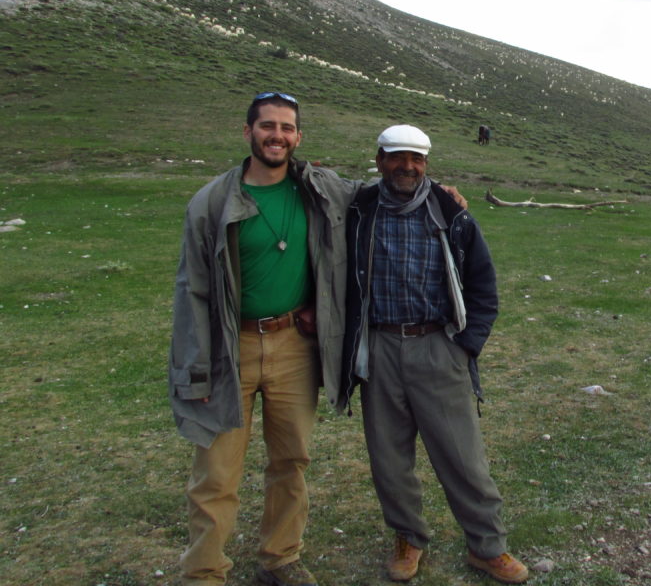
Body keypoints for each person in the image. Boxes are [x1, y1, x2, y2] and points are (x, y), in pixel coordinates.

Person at [169, 92, 358, 586]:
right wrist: (198, 367)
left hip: (295, 345)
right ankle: (205, 572)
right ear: (248, 131)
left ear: (298, 137)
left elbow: (376, 193)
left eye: (287, 128)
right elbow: (192, 291)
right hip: (231, 349)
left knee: (291, 459)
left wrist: (440, 186)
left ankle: (281, 560)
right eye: (268, 126)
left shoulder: (320, 188)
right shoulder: (211, 202)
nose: (278, 135)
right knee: (216, 472)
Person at [341, 124, 528, 584]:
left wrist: (466, 345)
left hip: (438, 347)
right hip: (379, 348)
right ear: (380, 159)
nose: (408, 167)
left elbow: (484, 288)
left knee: (463, 457)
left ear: (427, 163)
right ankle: (408, 538)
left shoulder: (451, 213)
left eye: (417, 159)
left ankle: (487, 546)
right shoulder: (359, 209)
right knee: (389, 458)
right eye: (398, 157)